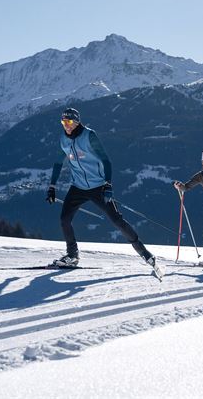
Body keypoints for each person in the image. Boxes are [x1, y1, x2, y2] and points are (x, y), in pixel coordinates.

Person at [46, 107, 162, 278]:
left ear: (76, 121)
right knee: (64, 219)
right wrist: (52, 187)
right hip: (77, 187)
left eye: (69, 122)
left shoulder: (89, 136)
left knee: (117, 220)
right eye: (63, 122)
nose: (66, 125)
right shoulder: (63, 139)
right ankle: (72, 255)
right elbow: (58, 163)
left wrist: (108, 184)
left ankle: (146, 254)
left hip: (98, 186)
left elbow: (106, 160)